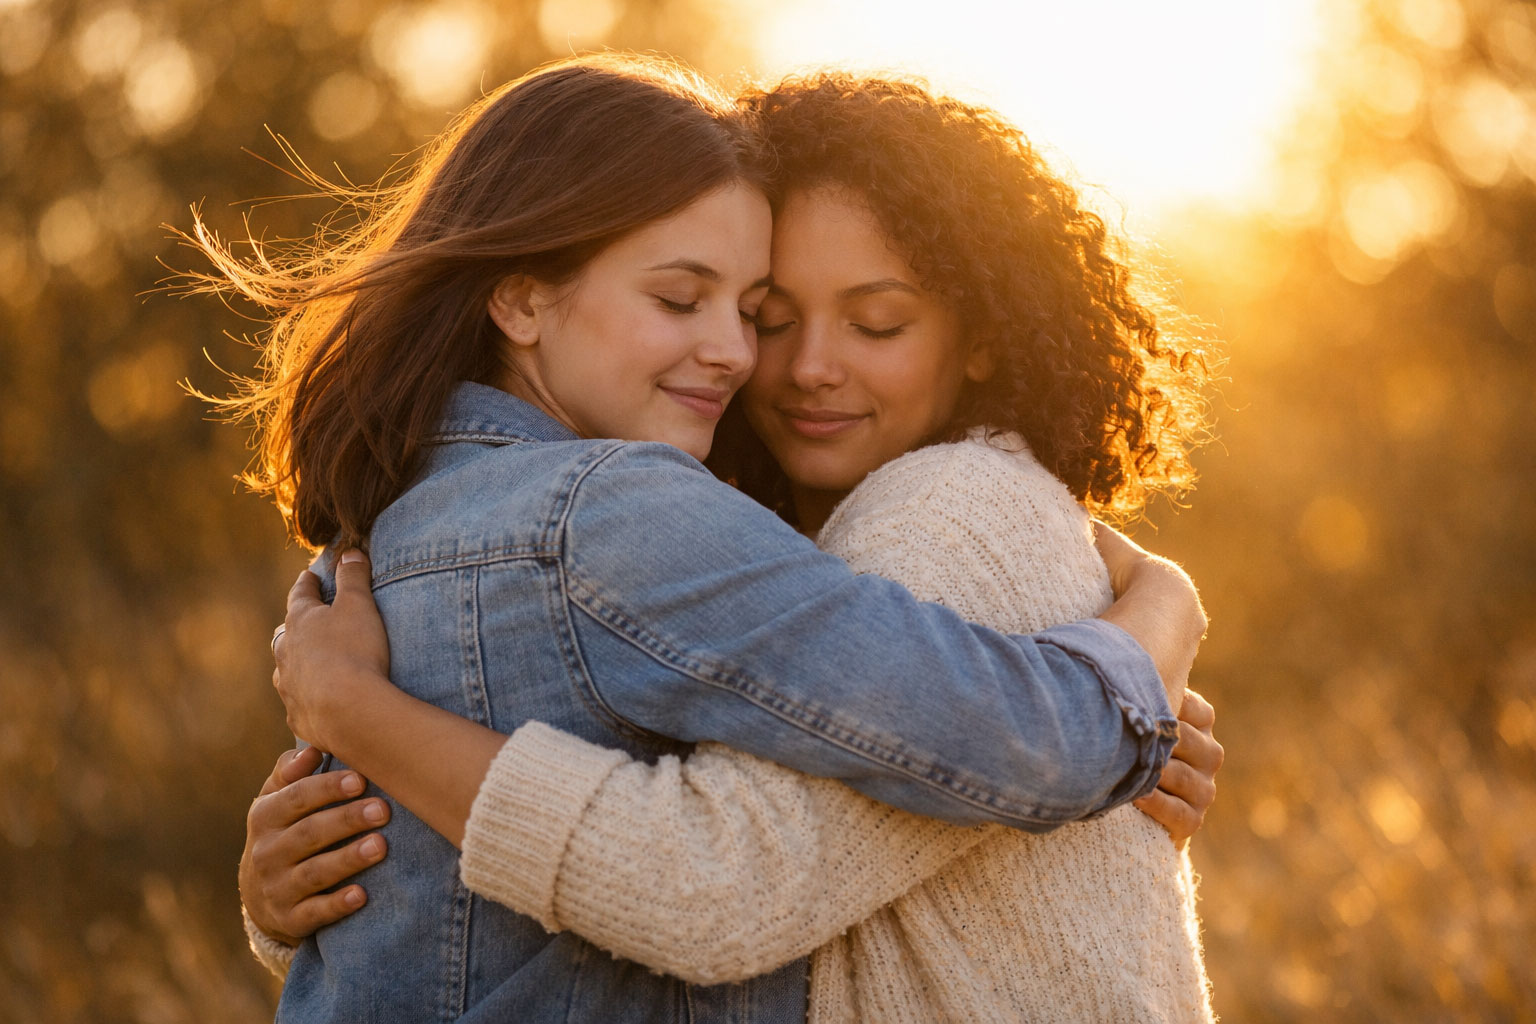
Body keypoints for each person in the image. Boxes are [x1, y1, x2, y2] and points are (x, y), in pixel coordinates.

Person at [199, 56, 1205, 1023]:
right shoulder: (621, 510)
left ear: (983, 329)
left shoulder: (393, 520)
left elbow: (428, 922)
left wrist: (344, 749)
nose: (749, 355)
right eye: (696, 303)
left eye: (871, 323)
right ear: (520, 297)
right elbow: (1034, 742)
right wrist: (1162, 616)